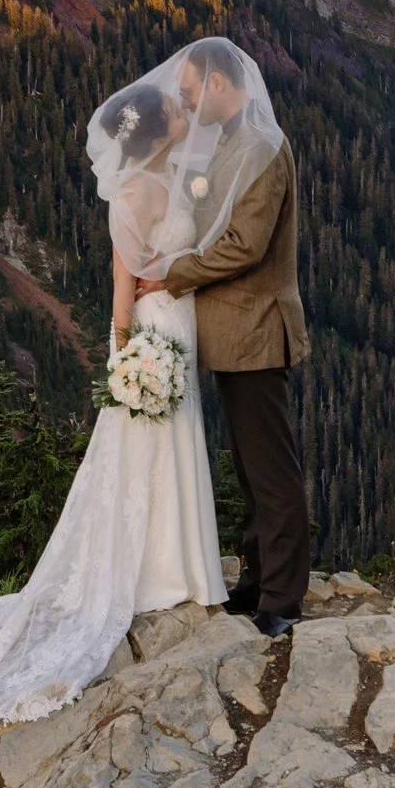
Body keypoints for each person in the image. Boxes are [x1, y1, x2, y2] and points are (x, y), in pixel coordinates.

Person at [0, 45, 264, 740]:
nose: (188, 112)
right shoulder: (134, 194)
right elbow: (124, 290)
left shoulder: (168, 179)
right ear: (160, 132)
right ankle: (173, 571)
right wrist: (124, 348)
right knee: (157, 436)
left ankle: (180, 568)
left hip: (175, 323)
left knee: (171, 433)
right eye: (178, 111)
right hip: (161, 325)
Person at [137, 36, 309, 638]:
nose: (186, 102)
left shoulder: (262, 147)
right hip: (236, 333)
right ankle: (257, 581)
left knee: (272, 470)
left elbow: (245, 246)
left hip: (258, 329)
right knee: (249, 466)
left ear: (217, 82)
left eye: (189, 91)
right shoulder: (237, 141)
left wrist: (172, 276)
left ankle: (283, 600)